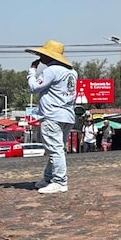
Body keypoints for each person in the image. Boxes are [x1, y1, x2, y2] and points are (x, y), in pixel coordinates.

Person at [26, 40, 78, 194]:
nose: (41, 56)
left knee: (55, 150)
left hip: (52, 115)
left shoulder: (52, 70)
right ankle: (49, 178)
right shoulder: (72, 72)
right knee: (55, 149)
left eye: (43, 54)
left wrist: (31, 71)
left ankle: (60, 181)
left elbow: (33, 87)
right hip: (67, 115)